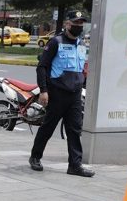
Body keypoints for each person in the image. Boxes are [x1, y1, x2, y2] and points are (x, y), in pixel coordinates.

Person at [29, 11, 94, 178]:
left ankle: (75, 165)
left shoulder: (81, 44)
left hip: (75, 95)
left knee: (74, 130)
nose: (78, 26)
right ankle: (35, 157)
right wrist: (44, 91)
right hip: (57, 93)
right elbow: (42, 67)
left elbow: (81, 69)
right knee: (48, 127)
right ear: (67, 24)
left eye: (81, 23)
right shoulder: (56, 42)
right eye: (75, 23)